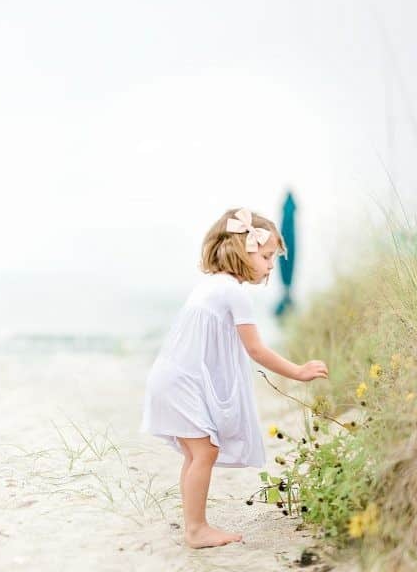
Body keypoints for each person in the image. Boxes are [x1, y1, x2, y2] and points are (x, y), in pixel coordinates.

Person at [141, 207, 329, 548]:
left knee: (197, 452)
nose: (272, 265)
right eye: (268, 256)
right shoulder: (234, 292)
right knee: (206, 451)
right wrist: (299, 372)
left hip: (169, 376)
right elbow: (255, 350)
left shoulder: (212, 285)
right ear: (246, 251)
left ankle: (192, 524)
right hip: (180, 381)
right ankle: (196, 529)